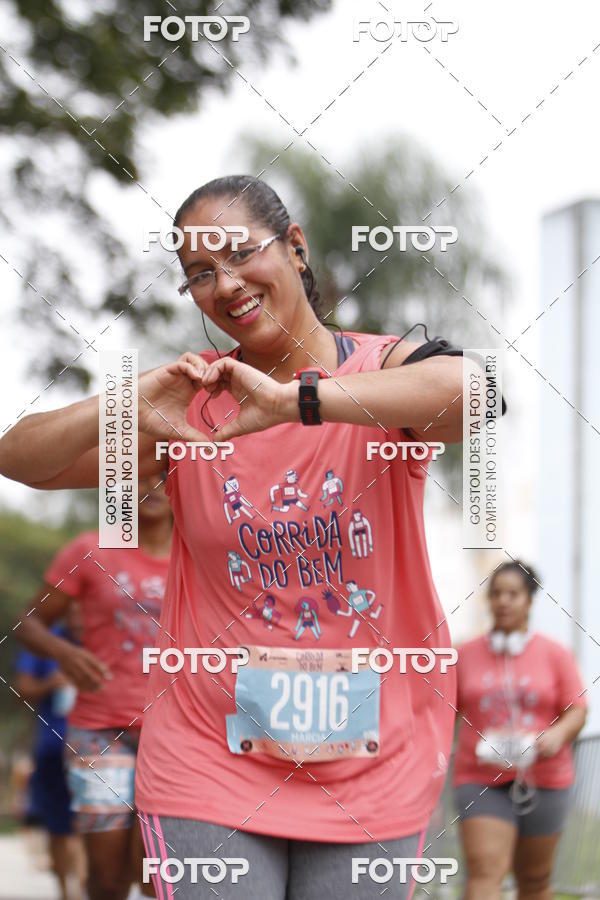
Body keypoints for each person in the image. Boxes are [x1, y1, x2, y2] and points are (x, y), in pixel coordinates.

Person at [0, 174, 479, 899]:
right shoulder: (191, 413)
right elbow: (22, 457)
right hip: (207, 755)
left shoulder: (380, 375)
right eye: (199, 274)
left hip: (373, 762)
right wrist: (128, 402)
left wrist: (299, 401)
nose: (223, 285)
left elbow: (478, 395)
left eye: (237, 253)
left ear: (294, 247)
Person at [14, 477, 172, 900]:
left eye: (163, 474)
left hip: (181, 734)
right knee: (106, 879)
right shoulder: (90, 550)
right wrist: (64, 653)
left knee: (161, 877)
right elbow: (27, 622)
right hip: (102, 733)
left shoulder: (203, 554)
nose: (151, 485)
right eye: (138, 475)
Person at [453, 559, 587, 900]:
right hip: (480, 779)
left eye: (513, 594)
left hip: (544, 779)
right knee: (484, 870)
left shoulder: (555, 653)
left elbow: (577, 709)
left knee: (535, 879)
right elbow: (444, 714)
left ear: (529, 600)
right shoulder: (464, 655)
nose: (503, 601)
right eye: (496, 594)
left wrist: (558, 736)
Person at [14, 613, 86, 900]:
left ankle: (82, 888)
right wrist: (52, 683)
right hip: (52, 749)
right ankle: (65, 892)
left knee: (89, 825)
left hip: (96, 751)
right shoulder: (43, 640)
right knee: (58, 826)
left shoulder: (105, 633)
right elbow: (22, 690)